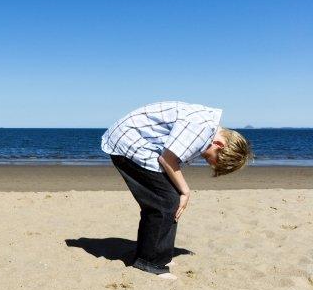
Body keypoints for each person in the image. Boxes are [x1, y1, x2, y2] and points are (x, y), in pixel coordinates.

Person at [100, 101, 252, 279]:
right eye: (212, 160)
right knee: (166, 202)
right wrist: (186, 191)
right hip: (127, 142)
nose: (208, 161)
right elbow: (167, 159)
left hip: (140, 143)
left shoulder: (206, 129)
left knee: (170, 198)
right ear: (219, 144)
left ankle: (159, 255)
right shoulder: (200, 130)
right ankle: (149, 261)